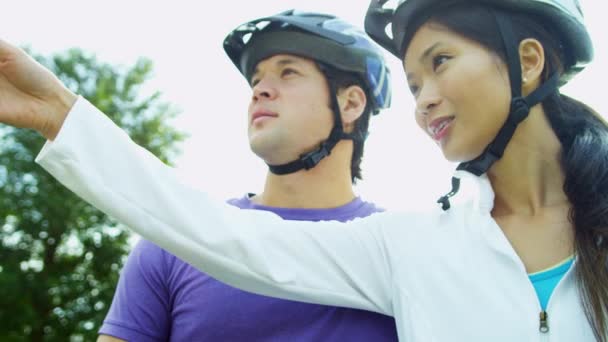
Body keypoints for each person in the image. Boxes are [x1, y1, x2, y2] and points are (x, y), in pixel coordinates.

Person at [0, 0, 605, 341]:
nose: (423, 99)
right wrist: (64, 118)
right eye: (414, 82)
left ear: (528, 63)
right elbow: (221, 235)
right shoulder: (410, 249)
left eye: (440, 62)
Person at [96, 10, 397, 342]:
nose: (260, 90)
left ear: (351, 104)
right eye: (256, 80)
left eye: (288, 73)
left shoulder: (399, 252)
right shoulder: (176, 240)